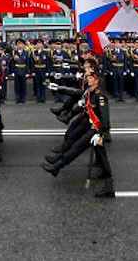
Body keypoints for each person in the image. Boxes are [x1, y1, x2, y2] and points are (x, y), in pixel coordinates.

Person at [40, 60, 115, 198]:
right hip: (93, 128)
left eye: (91, 78)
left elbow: (105, 120)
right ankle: (109, 185)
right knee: (102, 158)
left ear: (96, 80)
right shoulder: (90, 92)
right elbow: (78, 98)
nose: (88, 79)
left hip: (96, 129)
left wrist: (99, 134)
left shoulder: (100, 96)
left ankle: (57, 167)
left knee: (77, 148)